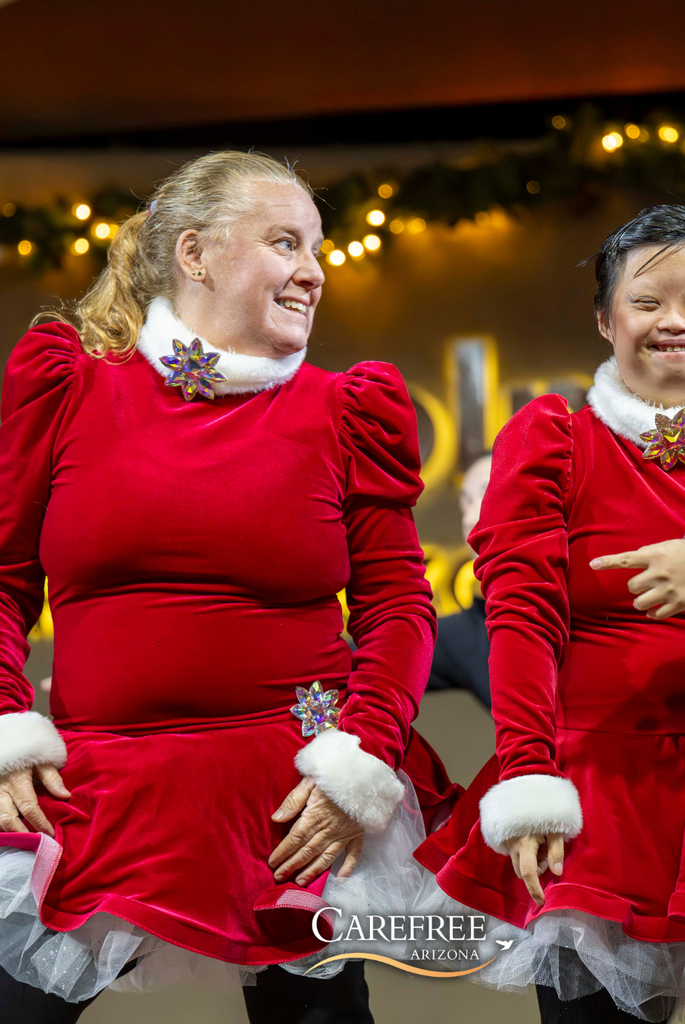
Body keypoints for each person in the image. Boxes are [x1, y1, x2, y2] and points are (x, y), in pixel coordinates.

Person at [0, 151, 458, 1023]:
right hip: (98, 788)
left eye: (317, 248)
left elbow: (399, 606)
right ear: (195, 253)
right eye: (285, 243)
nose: (313, 272)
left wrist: (357, 760)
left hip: (292, 798)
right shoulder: (70, 388)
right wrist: (3, 729)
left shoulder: (342, 412)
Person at [414, 205, 685, 1023]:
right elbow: (520, 622)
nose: (674, 321)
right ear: (605, 320)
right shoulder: (554, 442)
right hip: (596, 792)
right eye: (646, 301)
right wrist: (527, 774)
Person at [426, 453, 492, 708]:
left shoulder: (610, 591)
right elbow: (333, 669)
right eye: (466, 503)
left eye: (489, 493)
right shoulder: (471, 633)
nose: (470, 518)